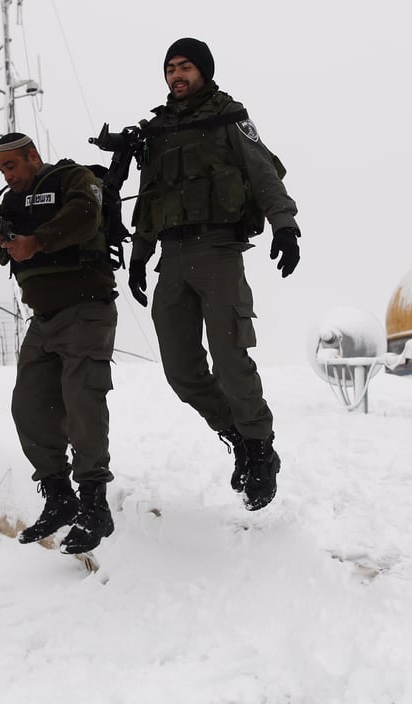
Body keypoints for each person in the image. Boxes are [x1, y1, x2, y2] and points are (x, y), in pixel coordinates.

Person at [127, 37, 300, 512]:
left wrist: (285, 226)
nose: (176, 75)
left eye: (184, 67)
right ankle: (237, 437)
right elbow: (149, 196)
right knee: (180, 369)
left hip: (219, 251)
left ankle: (260, 449)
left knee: (230, 357)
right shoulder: (158, 130)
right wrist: (139, 256)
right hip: (171, 259)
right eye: (169, 69)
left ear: (203, 71)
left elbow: (264, 175)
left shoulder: (229, 116)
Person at [0, 132, 118, 554]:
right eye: (1, 169)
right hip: (43, 320)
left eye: (12, 166)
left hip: (86, 307)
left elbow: (85, 214)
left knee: (82, 401)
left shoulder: (71, 178)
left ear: (33, 156)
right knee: (30, 407)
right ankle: (59, 495)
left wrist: (35, 241)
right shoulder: (10, 203)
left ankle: (95, 503)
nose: (8, 175)